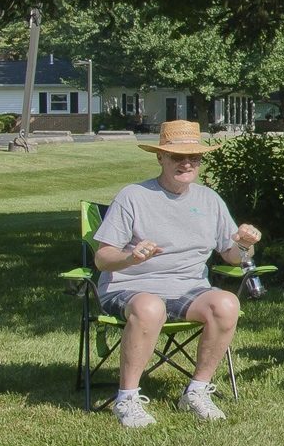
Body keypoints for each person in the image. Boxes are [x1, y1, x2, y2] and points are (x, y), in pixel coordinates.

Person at [91, 120, 265, 428]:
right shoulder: (133, 196)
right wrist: (131, 257)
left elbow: (232, 256)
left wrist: (244, 246)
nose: (186, 163)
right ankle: (127, 398)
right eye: (177, 157)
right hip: (131, 286)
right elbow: (102, 258)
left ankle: (197, 392)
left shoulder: (210, 200)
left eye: (194, 157)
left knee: (226, 304)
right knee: (150, 306)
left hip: (187, 288)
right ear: (160, 157)